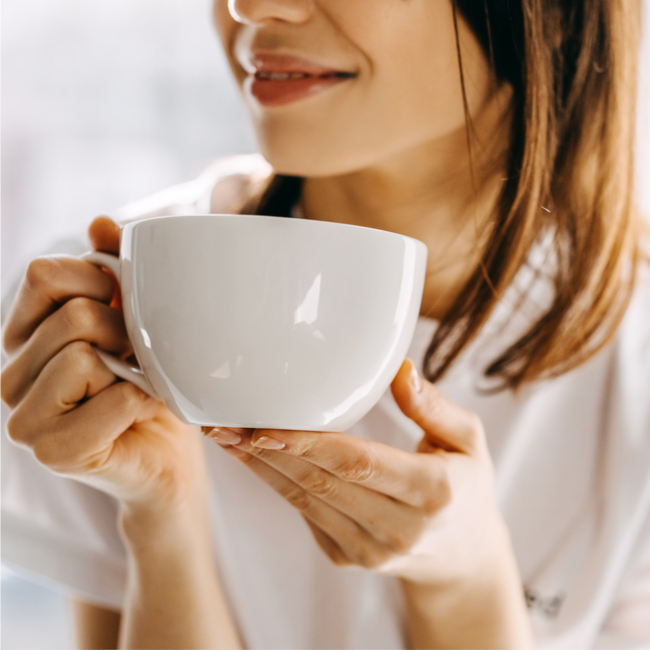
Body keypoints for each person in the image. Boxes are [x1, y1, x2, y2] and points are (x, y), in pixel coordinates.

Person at [2, 0, 649, 648]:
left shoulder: (634, 371)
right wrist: (160, 516)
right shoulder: (105, 315)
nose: (248, 7)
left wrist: (468, 584)